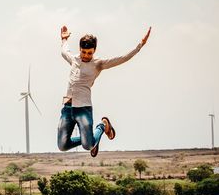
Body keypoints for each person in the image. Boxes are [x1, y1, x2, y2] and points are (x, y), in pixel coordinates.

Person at [57, 25, 151, 157]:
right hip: (67, 107)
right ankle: (91, 136)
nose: (86, 55)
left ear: (94, 50)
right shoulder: (74, 59)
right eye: (84, 52)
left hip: (83, 108)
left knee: (88, 145)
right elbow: (64, 51)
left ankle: (102, 126)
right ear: (80, 49)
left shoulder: (98, 64)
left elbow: (121, 58)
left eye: (90, 53)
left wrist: (139, 46)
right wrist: (64, 39)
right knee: (62, 145)